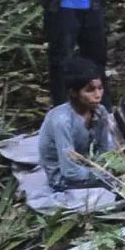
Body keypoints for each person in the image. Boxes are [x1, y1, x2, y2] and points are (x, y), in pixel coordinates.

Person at [38, 57, 114, 191]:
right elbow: (69, 171)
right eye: (90, 90)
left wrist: (109, 166)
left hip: (90, 166)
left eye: (100, 88)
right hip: (63, 177)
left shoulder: (100, 111)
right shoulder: (62, 121)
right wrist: (102, 174)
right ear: (73, 92)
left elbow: (105, 149)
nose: (98, 95)